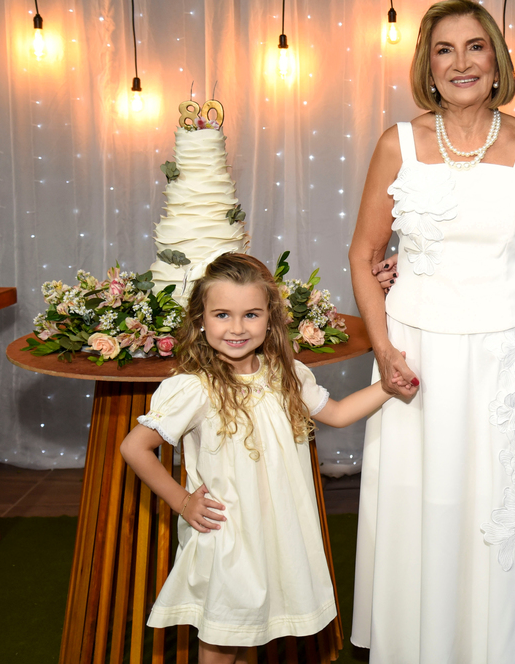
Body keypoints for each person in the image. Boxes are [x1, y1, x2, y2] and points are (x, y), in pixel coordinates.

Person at [348, 0, 515, 663]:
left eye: (475, 46)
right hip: (416, 354)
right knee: (426, 502)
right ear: (428, 65)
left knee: (502, 506)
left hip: (510, 356)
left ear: (496, 60)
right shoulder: (398, 143)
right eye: (445, 49)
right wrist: (384, 348)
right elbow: (363, 253)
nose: (461, 62)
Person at [120, 253, 396, 664]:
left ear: (270, 319)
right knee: (222, 637)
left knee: (249, 630)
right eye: (222, 315)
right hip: (228, 533)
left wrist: (389, 386)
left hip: (274, 529)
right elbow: (134, 447)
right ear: (200, 319)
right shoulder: (194, 388)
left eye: (250, 314)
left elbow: (338, 413)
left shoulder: (287, 374)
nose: (237, 328)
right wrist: (183, 501)